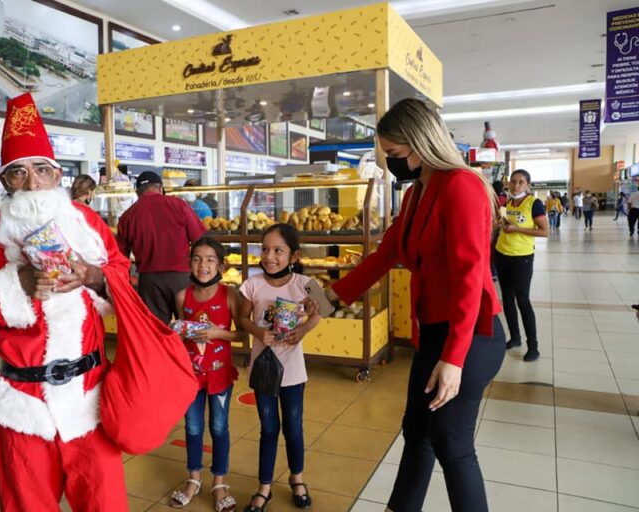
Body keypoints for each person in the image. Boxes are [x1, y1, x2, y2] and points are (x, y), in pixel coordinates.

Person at [0, 94, 131, 511]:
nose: (31, 183)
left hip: (90, 398)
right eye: (18, 174)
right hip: (22, 403)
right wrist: (17, 282)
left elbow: (124, 280)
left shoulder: (89, 224)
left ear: (58, 176)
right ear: (4, 182)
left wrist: (94, 275)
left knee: (105, 504)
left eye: (41, 170)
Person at [325, 98, 505, 512]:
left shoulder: (461, 186)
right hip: (436, 331)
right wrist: (328, 297)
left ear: (419, 142)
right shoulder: (416, 194)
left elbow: (468, 276)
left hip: (472, 333)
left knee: (450, 440)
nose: (391, 164)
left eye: (393, 154)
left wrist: (454, 359)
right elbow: (384, 256)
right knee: (417, 430)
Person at [239, 224, 321, 512]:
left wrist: (304, 330)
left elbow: (324, 309)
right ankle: (264, 488)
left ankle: (297, 479)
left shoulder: (303, 283)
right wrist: (258, 333)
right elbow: (243, 319)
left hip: (293, 371)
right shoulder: (252, 283)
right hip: (263, 369)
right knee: (269, 428)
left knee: (294, 428)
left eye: (278, 250)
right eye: (264, 249)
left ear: (294, 255)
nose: (269, 256)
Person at [171, 237, 245, 512]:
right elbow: (180, 334)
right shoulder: (182, 296)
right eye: (197, 259)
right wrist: (175, 331)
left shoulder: (230, 295)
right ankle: (193, 478)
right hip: (191, 377)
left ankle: (219, 482)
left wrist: (217, 333)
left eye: (210, 260)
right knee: (192, 427)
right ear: (190, 263)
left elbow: (242, 333)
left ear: (221, 265)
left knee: (218, 427)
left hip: (220, 376)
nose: (203, 265)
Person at [117, 171, 206, 323]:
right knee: (189, 328)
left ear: (138, 192)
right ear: (160, 188)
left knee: (157, 331)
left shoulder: (127, 216)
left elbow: (120, 256)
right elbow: (200, 239)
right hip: (181, 278)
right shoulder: (179, 205)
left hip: (149, 282)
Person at [495, 169, 549, 362]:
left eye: (521, 182)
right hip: (502, 255)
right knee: (507, 299)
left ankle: (533, 346)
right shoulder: (507, 203)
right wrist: (499, 224)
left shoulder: (533, 204)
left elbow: (545, 232)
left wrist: (516, 228)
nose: (516, 185)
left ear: (528, 185)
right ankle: (515, 338)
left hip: (522, 258)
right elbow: (502, 225)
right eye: (513, 181)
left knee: (523, 300)